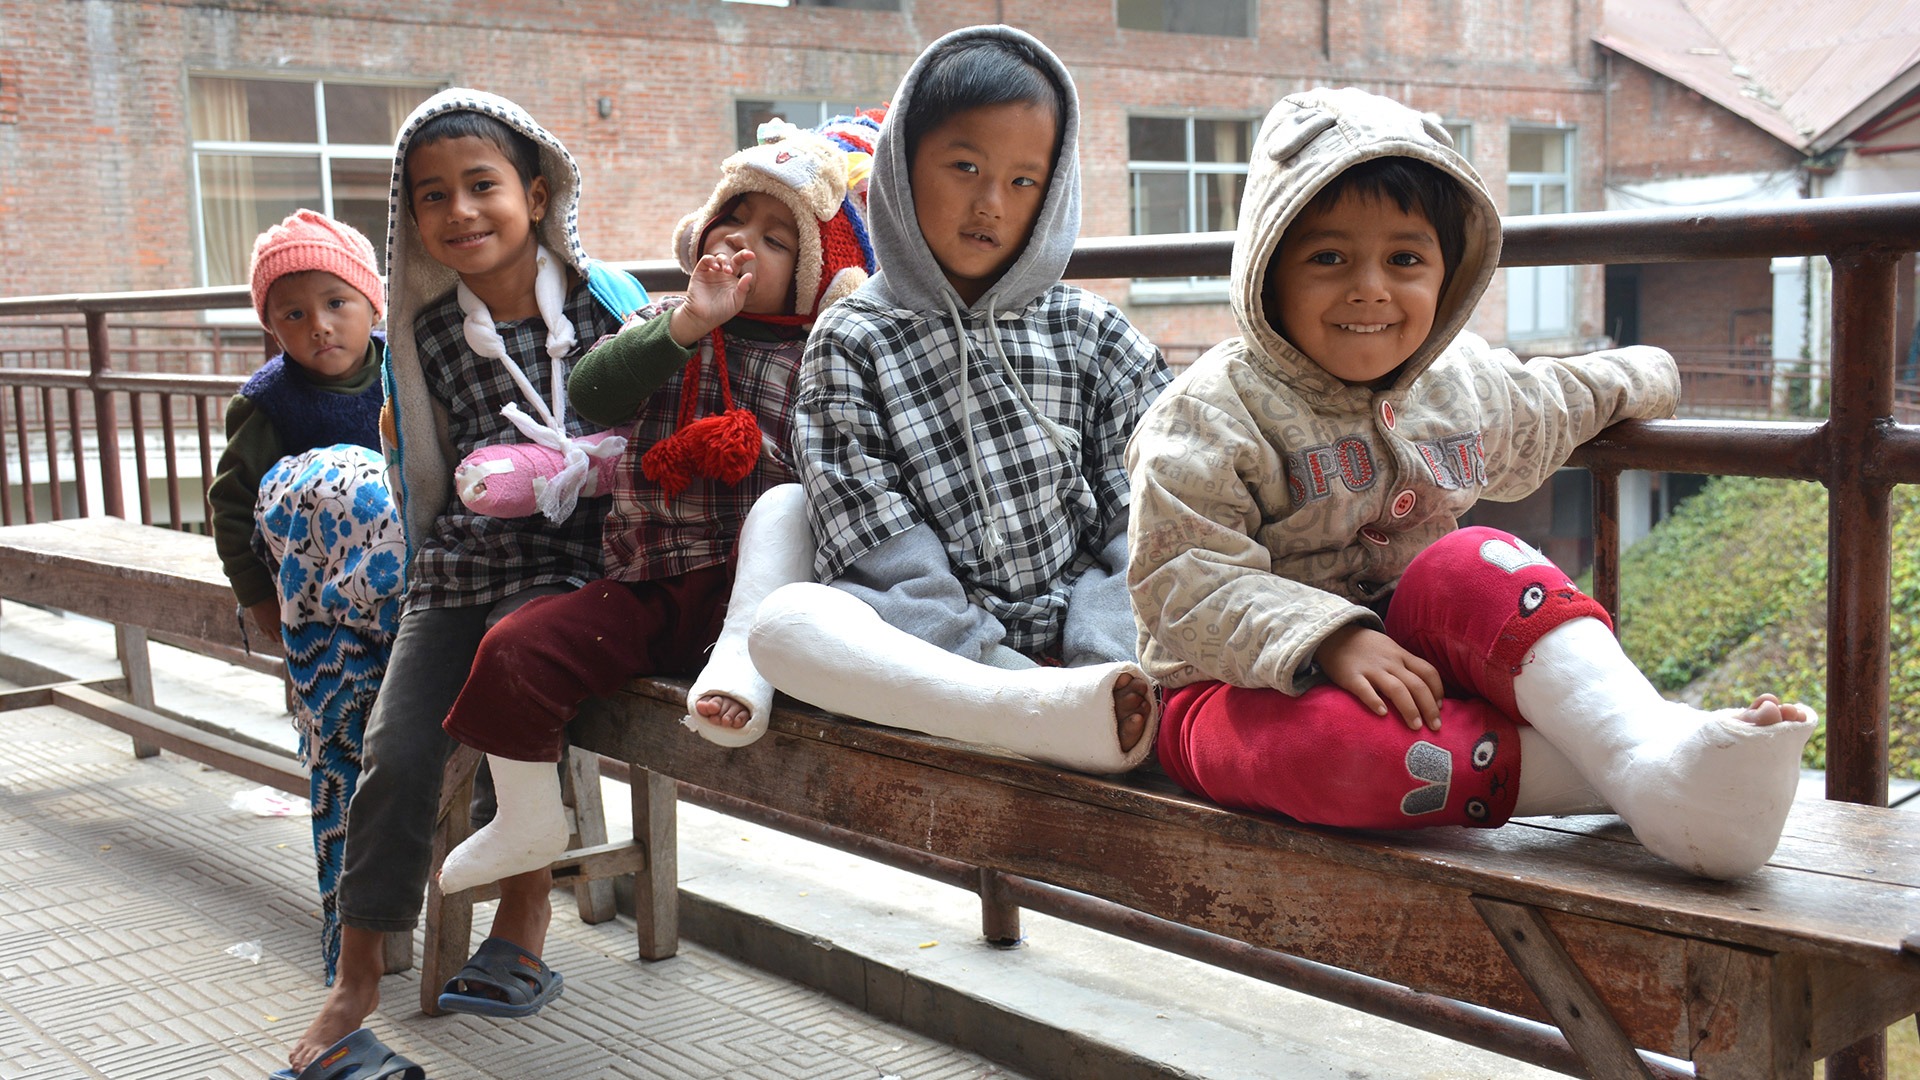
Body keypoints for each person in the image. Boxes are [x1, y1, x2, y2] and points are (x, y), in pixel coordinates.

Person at [1125, 86, 1816, 881]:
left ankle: (1646, 751)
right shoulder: (1208, 416)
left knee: (1478, 557)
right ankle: (1654, 774)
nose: (1370, 288)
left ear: (1449, 276)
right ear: (1267, 267)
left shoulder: (1459, 385)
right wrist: (1334, 636)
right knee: (1330, 750)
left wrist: (1650, 374)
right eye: (1328, 258)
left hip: (1420, 664)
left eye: (1406, 260)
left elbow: (1551, 403)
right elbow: (1182, 582)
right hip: (1233, 690)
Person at [282, 88, 647, 1077]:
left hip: (576, 572)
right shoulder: (430, 331)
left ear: (536, 192)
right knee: (394, 755)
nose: (461, 213)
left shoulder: (610, 304)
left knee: (516, 698)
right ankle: (353, 987)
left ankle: (524, 929)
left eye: (481, 186)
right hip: (455, 567)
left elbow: (666, 426)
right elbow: (424, 468)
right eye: (433, 196)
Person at [429, 124, 877, 892]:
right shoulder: (666, 322)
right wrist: (687, 325)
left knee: (787, 527)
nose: (742, 242)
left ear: (812, 273)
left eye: (775, 238)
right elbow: (598, 392)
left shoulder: (825, 353)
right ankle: (528, 818)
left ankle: (742, 674)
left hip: (759, 599)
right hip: (647, 583)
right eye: (730, 221)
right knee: (512, 648)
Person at [723, 25, 1169, 775]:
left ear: (1056, 187)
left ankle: (1075, 708)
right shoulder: (851, 340)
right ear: (901, 166)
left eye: (1025, 180)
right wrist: (992, 666)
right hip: (941, 661)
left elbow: (1147, 525)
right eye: (964, 167)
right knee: (793, 625)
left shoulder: (1093, 332)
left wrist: (1098, 654)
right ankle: (1026, 710)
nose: (991, 203)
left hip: (1106, 656)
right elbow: (879, 552)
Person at [205, 210, 401, 986]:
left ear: (372, 303)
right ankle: (350, 916)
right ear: (271, 326)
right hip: (311, 589)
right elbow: (230, 510)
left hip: (396, 575)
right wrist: (260, 607)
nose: (318, 326)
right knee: (341, 733)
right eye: (293, 313)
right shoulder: (268, 404)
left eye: (336, 303)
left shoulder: (404, 371)